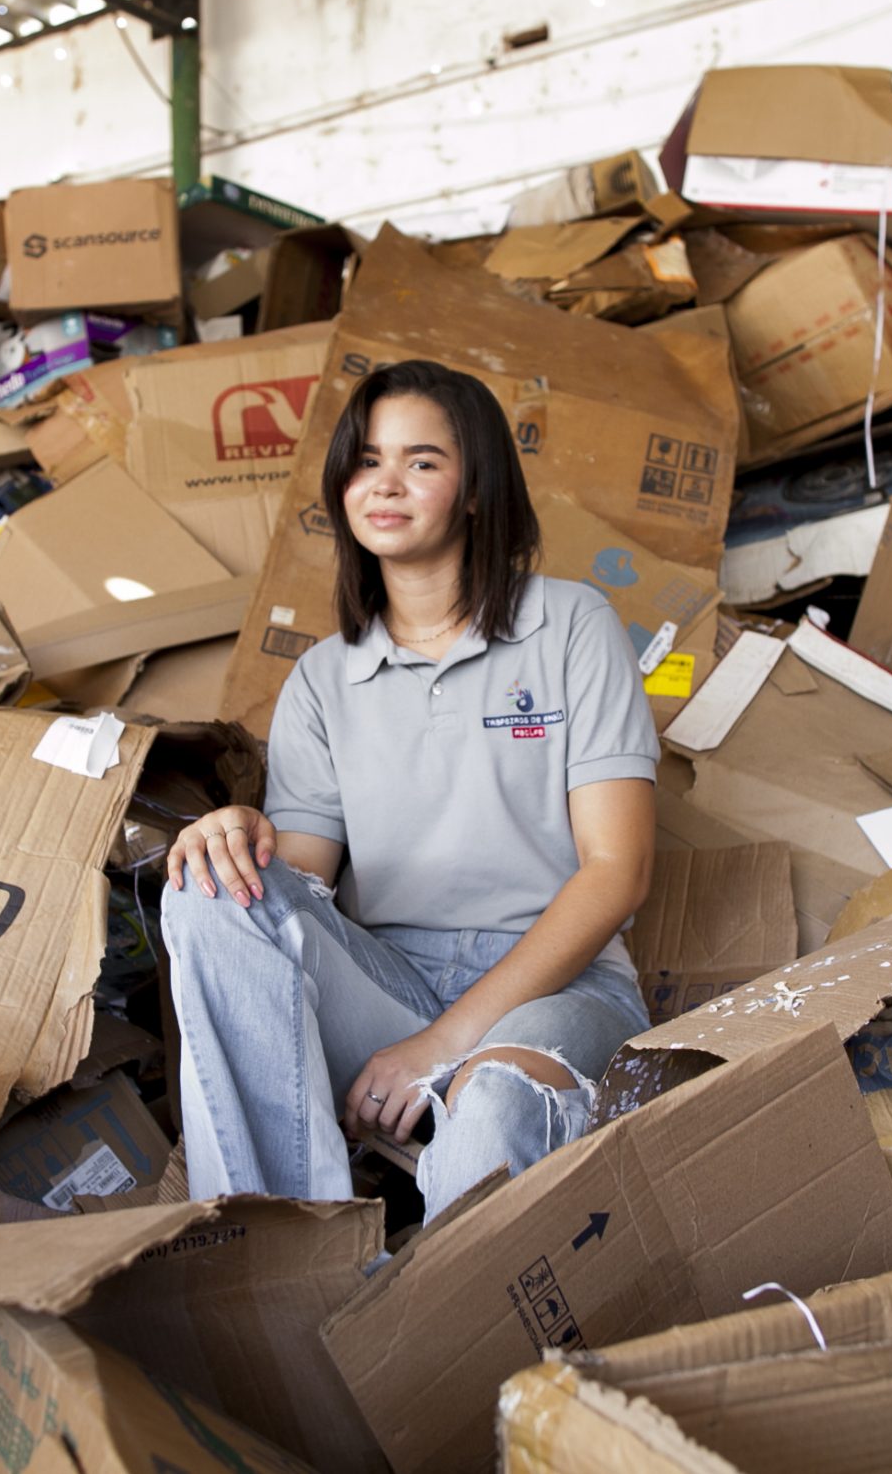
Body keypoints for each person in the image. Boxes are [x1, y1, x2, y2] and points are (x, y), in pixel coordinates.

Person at [159, 359, 658, 1222]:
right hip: (385, 979)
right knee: (209, 888)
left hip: (555, 990)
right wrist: (239, 828)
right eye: (365, 461)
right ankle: (281, 1247)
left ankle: (431, 1333)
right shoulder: (322, 677)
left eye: (421, 461)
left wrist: (443, 1045)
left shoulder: (572, 625)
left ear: (474, 489)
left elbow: (617, 872)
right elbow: (298, 883)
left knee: (492, 1102)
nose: (385, 483)